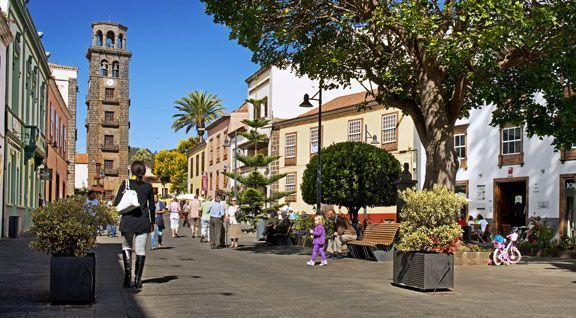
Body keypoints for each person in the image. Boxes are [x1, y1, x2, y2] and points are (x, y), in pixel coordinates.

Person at [113, 161, 155, 289]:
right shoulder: (148, 187)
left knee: (126, 247)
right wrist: (152, 221)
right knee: (140, 250)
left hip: (127, 221)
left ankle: (127, 278)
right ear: (144, 172)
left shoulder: (126, 184)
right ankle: (138, 280)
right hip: (143, 221)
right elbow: (152, 206)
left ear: (131, 171)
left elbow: (117, 202)